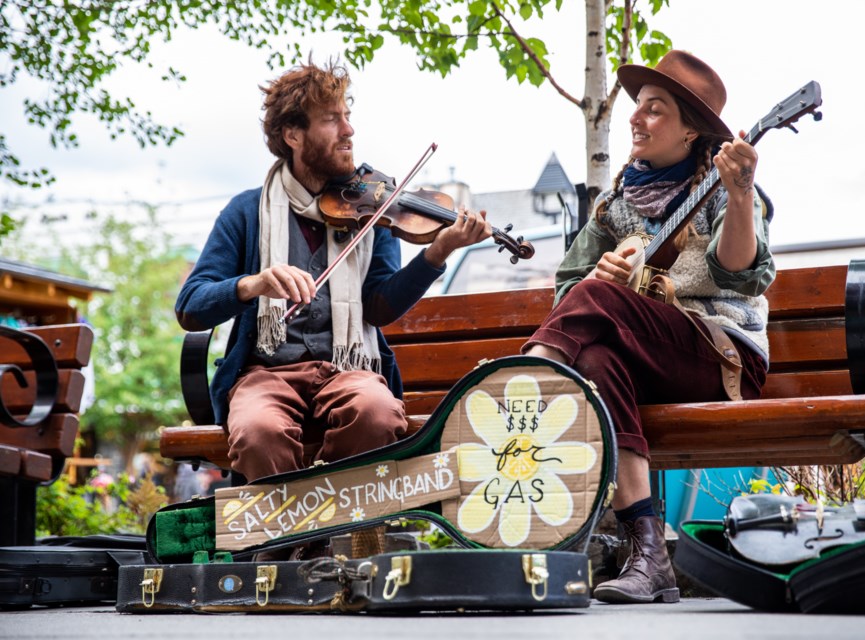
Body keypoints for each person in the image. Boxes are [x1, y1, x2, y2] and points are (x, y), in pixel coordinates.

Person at [522, 50, 775, 604]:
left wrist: (737, 195)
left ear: (691, 133)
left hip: (721, 357)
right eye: (637, 107)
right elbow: (569, 287)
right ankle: (649, 556)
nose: (636, 118)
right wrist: (597, 272)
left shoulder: (725, 184)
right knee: (593, 362)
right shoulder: (615, 205)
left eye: (655, 109)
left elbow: (738, 274)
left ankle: (532, 376)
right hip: (651, 360)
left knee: (595, 306)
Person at [175, 58, 491, 495]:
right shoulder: (247, 212)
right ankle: (290, 551)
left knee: (377, 413)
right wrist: (254, 284)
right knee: (258, 431)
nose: (349, 130)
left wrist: (436, 253)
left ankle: (340, 543)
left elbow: (380, 307)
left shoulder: (373, 208)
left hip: (349, 368)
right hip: (266, 373)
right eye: (332, 119)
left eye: (348, 116)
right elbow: (191, 306)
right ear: (293, 135)